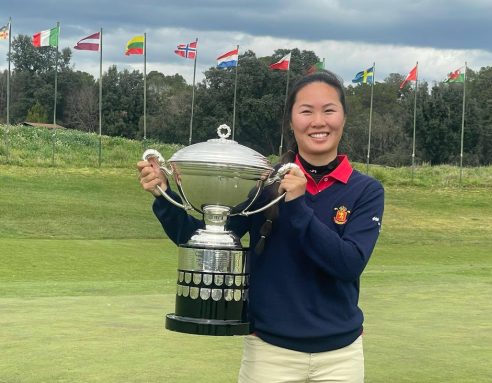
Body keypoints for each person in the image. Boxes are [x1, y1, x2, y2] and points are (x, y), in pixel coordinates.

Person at [137, 70, 384, 383]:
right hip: (269, 352)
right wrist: (164, 195)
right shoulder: (264, 184)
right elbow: (204, 237)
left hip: (340, 356)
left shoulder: (365, 190)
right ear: (292, 121)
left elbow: (347, 264)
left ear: (344, 118)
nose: (318, 121)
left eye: (329, 110)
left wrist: (297, 204)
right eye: (306, 111)